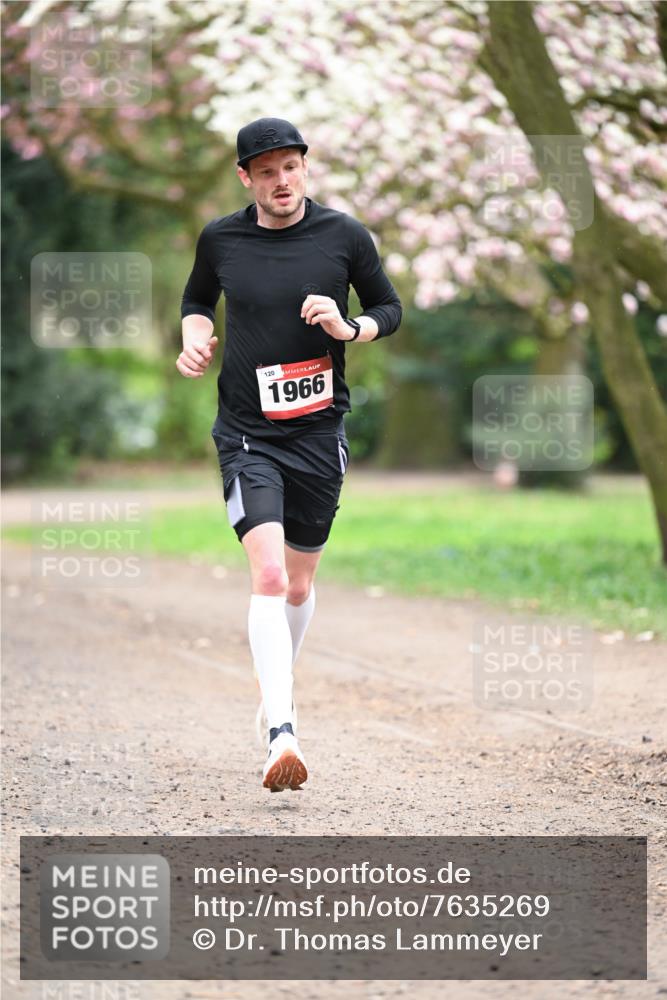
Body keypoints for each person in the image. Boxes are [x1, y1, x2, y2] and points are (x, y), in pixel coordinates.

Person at [178, 117, 402, 792]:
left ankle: (276, 689)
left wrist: (349, 327)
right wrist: (194, 337)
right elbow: (196, 300)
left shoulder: (343, 236)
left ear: (306, 168)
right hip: (247, 434)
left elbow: (388, 307)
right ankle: (282, 728)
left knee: (300, 585)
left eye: (292, 167)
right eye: (267, 170)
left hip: (317, 433)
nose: (282, 181)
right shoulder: (221, 237)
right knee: (269, 578)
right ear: (246, 177)